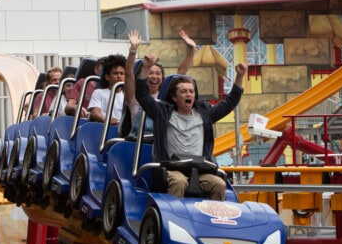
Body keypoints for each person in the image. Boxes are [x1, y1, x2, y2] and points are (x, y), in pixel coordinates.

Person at [134, 56, 247, 200]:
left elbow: (230, 103)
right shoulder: (162, 112)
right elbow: (142, 95)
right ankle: (174, 220)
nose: (188, 94)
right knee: (179, 182)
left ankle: (213, 220)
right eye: (183, 91)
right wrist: (145, 69)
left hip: (200, 170)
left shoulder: (205, 113)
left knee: (219, 183)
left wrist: (240, 76)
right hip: (172, 169)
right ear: (174, 97)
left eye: (191, 91)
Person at [124, 29, 196, 136]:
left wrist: (192, 49)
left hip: (159, 144)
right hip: (137, 143)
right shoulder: (134, 96)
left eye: (158, 73)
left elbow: (180, 73)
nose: (154, 77)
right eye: (150, 73)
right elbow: (129, 73)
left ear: (162, 77)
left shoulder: (164, 96)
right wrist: (133, 49)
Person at [88, 55, 126, 125]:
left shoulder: (128, 96)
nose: (119, 76)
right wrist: (108, 120)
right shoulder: (99, 93)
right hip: (105, 129)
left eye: (122, 73)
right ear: (107, 77)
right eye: (115, 73)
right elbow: (95, 113)